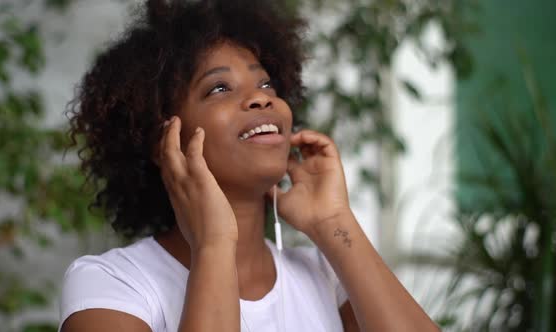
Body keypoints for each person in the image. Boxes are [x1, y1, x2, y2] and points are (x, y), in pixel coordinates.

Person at [60, 0, 440, 331]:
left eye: (266, 84)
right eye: (219, 88)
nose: (260, 99)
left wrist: (333, 223)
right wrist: (213, 244)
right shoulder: (113, 285)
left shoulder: (325, 275)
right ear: (164, 143)